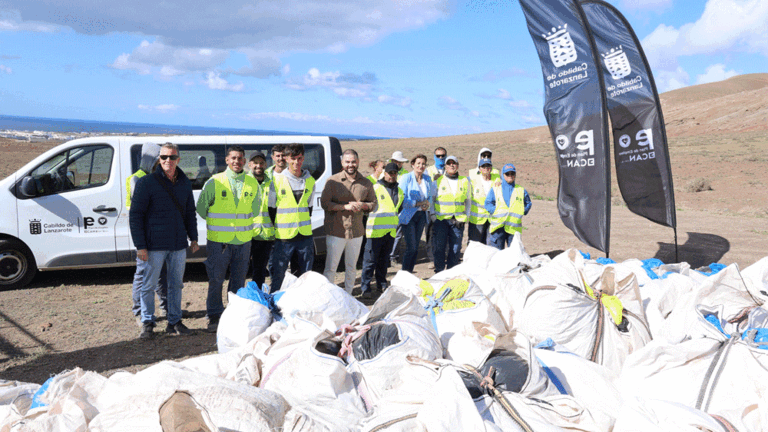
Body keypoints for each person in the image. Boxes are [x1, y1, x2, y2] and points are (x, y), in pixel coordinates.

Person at [129, 142, 199, 339]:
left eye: (172, 157)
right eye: (164, 157)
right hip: (154, 246)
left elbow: (189, 212)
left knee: (176, 285)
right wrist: (140, 246)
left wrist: (193, 237)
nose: (168, 160)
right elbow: (136, 216)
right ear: (159, 159)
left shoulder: (184, 183)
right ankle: (147, 323)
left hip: (178, 244)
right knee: (148, 285)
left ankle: (174, 322)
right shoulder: (146, 183)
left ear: (178, 159)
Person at [196, 146, 261, 332]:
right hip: (220, 242)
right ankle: (214, 316)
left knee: (238, 281)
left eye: (240, 158)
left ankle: (233, 315)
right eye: (233, 158)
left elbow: (255, 209)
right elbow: (201, 208)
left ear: (244, 161)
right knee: (216, 280)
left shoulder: (252, 183)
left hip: (243, 241)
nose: (236, 161)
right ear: (226, 160)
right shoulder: (215, 182)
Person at [321, 149, 376, 294]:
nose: (350, 165)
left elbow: (373, 204)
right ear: (342, 163)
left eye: (353, 162)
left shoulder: (366, 183)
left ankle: (348, 296)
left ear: (358, 162)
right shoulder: (333, 181)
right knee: (331, 268)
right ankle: (328, 297)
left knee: (351, 268)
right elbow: (325, 203)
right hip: (336, 231)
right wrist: (344, 207)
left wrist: (363, 206)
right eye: (347, 162)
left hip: (356, 232)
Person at [126, 142, 168, 325]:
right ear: (151, 160)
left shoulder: (156, 177)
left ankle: (166, 307)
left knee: (162, 273)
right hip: (146, 235)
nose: (163, 163)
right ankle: (139, 312)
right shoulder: (136, 179)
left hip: (159, 233)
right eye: (160, 159)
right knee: (143, 273)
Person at [268, 143, 316, 293]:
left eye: (299, 158)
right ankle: (274, 302)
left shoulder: (310, 181)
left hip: (304, 236)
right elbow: (271, 209)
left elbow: (309, 208)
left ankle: (301, 302)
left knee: (305, 275)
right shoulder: (276, 180)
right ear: (287, 159)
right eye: (293, 158)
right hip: (284, 237)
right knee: (279, 275)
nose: (296, 162)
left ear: (303, 158)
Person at [361, 162, 403, 299]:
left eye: (394, 173)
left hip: (390, 232)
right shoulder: (375, 188)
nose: (392, 175)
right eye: (389, 173)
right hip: (375, 232)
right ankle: (365, 288)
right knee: (370, 262)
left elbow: (397, 210)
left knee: (384, 261)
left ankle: (381, 284)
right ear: (384, 173)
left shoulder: (399, 191)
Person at [432, 155, 471, 273]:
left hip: (458, 221)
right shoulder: (438, 181)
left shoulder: (465, 181)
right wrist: (433, 216)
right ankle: (439, 272)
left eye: (454, 163)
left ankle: (451, 273)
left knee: (455, 249)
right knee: (439, 248)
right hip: (441, 220)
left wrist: (466, 216)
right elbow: (431, 199)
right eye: (449, 163)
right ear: (445, 166)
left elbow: (468, 201)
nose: (451, 165)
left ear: (457, 166)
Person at [398, 154, 435, 273]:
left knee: (415, 247)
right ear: (413, 164)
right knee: (412, 247)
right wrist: (418, 203)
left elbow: (430, 196)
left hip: (422, 216)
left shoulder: (427, 179)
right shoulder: (406, 178)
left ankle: (409, 272)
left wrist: (427, 204)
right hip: (409, 216)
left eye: (423, 164)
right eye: (418, 163)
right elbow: (401, 199)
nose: (421, 166)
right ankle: (404, 272)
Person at [484, 163, 532, 250]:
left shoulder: (521, 190)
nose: (510, 176)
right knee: (496, 254)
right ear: (503, 175)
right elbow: (487, 203)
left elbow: (528, 203)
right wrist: (495, 211)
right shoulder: (495, 188)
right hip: (498, 228)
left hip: (514, 229)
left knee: (514, 255)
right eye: (507, 174)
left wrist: (523, 211)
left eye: (512, 173)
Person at [248, 151, 274, 289]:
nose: (258, 166)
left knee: (260, 271)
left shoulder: (272, 182)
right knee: (239, 271)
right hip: (246, 234)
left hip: (265, 235)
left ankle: (257, 297)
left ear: (265, 164)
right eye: (255, 163)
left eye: (261, 163)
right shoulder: (244, 182)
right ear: (249, 164)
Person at [467, 157, 500, 245]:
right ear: (479, 168)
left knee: (490, 246)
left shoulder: (497, 179)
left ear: (491, 168)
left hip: (492, 219)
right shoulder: (473, 180)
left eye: (488, 166)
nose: (486, 168)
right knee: (475, 245)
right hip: (477, 219)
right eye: (483, 166)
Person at [424, 147, 447, 267]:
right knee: (431, 232)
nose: (441, 158)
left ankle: (445, 256)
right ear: (434, 156)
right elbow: (423, 185)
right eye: (438, 156)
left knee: (444, 233)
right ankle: (432, 259)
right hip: (431, 206)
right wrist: (434, 181)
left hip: (445, 207)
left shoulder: (449, 169)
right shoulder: (428, 170)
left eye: (443, 155)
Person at [387, 150, 410, 264]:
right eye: (396, 161)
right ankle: (385, 254)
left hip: (401, 206)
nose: (398, 164)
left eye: (400, 162)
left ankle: (393, 255)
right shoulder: (386, 172)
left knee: (398, 233)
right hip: (388, 206)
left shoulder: (406, 174)